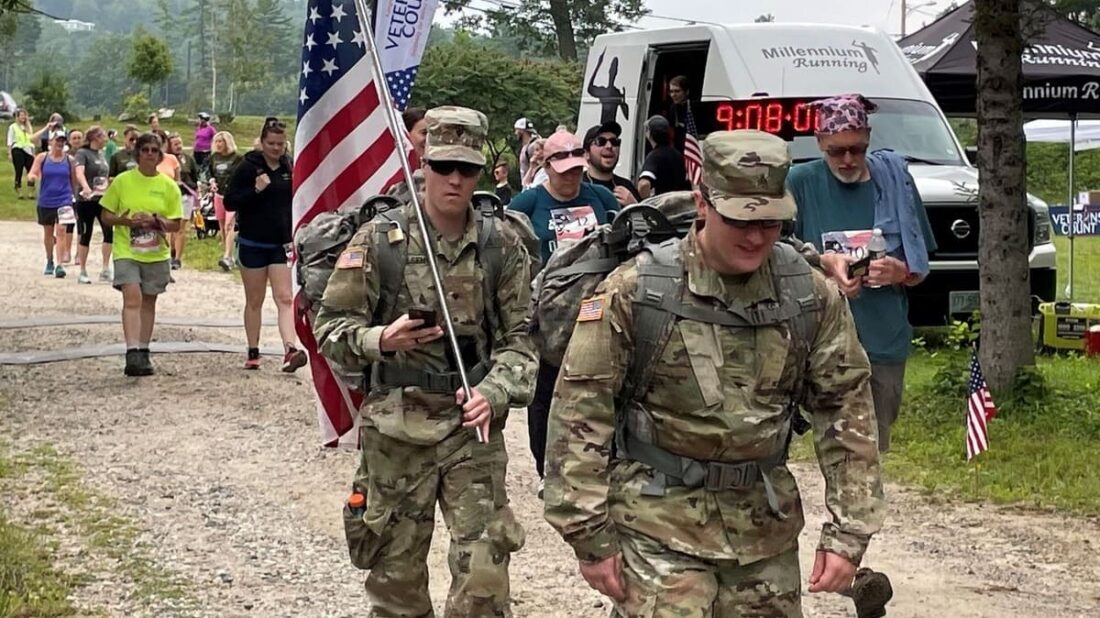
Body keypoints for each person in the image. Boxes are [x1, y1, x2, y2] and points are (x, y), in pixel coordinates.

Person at [543, 129, 886, 616]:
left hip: (764, 531)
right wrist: (588, 535)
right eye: (740, 220)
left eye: (770, 222)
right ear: (703, 203)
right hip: (657, 524)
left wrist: (850, 529)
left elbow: (845, 407)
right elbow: (580, 412)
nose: (755, 236)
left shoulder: (808, 295)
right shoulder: (638, 290)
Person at [314, 106, 535, 616]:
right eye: (443, 166)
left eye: (467, 168)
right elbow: (330, 330)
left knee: (484, 579)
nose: (454, 179)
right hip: (396, 431)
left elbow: (522, 342)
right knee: (396, 582)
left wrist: (494, 392)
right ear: (422, 160)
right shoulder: (379, 241)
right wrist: (381, 341)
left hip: (470, 430)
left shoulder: (501, 245)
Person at [787, 94, 936, 454]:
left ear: (868, 137)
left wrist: (900, 272)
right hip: (820, 343)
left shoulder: (895, 183)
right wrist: (825, 266)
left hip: (882, 341)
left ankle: (860, 512)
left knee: (870, 454)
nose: (849, 159)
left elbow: (919, 267)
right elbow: (778, 255)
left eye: (857, 148)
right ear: (820, 141)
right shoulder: (801, 182)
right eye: (837, 151)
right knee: (830, 450)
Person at [508, 129, 618, 494]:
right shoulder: (528, 203)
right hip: (550, 316)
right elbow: (509, 249)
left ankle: (600, 465)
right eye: (563, 166)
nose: (571, 174)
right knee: (545, 395)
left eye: (576, 166)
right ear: (546, 165)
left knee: (598, 391)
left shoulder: (600, 197)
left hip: (598, 310)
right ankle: (547, 470)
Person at [223, 117, 307, 372]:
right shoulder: (248, 166)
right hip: (252, 241)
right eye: (271, 143)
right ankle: (253, 349)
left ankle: (290, 349)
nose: (276, 148)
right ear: (262, 142)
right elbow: (230, 202)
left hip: (280, 243)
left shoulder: (288, 166)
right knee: (255, 299)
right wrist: (255, 191)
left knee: (284, 297)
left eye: (280, 143)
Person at [98, 133, 183, 376]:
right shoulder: (123, 181)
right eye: (144, 149)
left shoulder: (168, 186)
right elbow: (105, 214)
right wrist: (125, 220)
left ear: (160, 156)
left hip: (155, 252)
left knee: (148, 300)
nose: (148, 154)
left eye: (153, 150)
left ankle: (144, 350)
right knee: (132, 297)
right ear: (137, 154)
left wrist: (155, 221)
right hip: (127, 249)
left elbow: (176, 224)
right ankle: (132, 352)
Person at [27, 130, 79, 278]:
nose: (60, 144)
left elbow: (74, 181)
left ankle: (59, 265)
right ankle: (50, 260)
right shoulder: (42, 158)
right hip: (46, 200)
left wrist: (74, 198)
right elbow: (34, 172)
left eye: (63, 141)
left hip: (64, 199)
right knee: (48, 233)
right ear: (50, 142)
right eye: (57, 140)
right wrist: (31, 177)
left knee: (61, 230)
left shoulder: (70, 160)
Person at [73, 126, 113, 284]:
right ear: (95, 138)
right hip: (86, 199)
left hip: (102, 198)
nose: (105, 139)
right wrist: (85, 186)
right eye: (103, 136)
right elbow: (79, 172)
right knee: (86, 233)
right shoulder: (83, 154)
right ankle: (82, 270)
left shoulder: (102, 155)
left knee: (108, 231)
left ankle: (105, 268)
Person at [582, 120, 640, 207]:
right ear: (586, 154)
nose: (609, 146)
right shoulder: (577, 186)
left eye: (614, 142)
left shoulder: (626, 187)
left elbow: (646, 219)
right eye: (601, 141)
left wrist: (634, 206)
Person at [208, 130, 243, 271]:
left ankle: (228, 256)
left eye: (220, 141)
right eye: (216, 141)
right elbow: (210, 172)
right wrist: (211, 182)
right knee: (222, 225)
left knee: (230, 224)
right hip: (219, 195)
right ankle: (227, 253)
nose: (218, 144)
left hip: (232, 195)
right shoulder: (214, 157)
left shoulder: (237, 158)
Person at [637, 115, 690, 199]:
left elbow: (644, 184)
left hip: (663, 207)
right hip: (680, 205)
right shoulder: (678, 155)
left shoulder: (654, 156)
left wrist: (646, 202)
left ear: (649, 134)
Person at [168, 133, 199, 270]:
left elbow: (194, 177)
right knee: (170, 227)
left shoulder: (188, 159)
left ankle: (178, 258)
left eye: (180, 143)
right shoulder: (165, 159)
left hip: (186, 196)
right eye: (175, 144)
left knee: (181, 228)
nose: (179, 146)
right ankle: (170, 252)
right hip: (169, 197)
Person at [7, 108, 36, 200]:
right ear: (18, 117)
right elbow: (10, 140)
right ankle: (19, 191)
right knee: (19, 170)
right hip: (18, 149)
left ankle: (31, 191)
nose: (23, 117)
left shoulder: (28, 127)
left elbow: (31, 140)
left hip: (28, 150)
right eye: (21, 115)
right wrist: (9, 153)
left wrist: (33, 152)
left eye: (24, 115)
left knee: (31, 170)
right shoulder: (13, 127)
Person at [664, 75, 698, 151]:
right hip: (678, 149)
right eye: (671, 92)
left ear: (687, 92)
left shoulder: (694, 107)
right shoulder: (672, 108)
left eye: (677, 91)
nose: (673, 95)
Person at [515, 117, 539, 182]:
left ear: (522, 130)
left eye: (517, 130)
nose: (515, 133)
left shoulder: (532, 147)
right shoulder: (526, 146)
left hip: (531, 184)